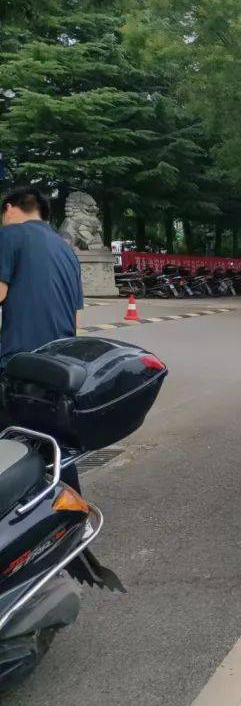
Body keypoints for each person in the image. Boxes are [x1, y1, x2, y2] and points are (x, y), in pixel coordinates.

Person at [0, 186, 86, 490]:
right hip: (59, 365)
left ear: (9, 209)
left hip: (19, 363)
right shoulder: (66, 251)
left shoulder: (10, 236)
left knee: (11, 446)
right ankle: (71, 519)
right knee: (53, 443)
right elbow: (75, 317)